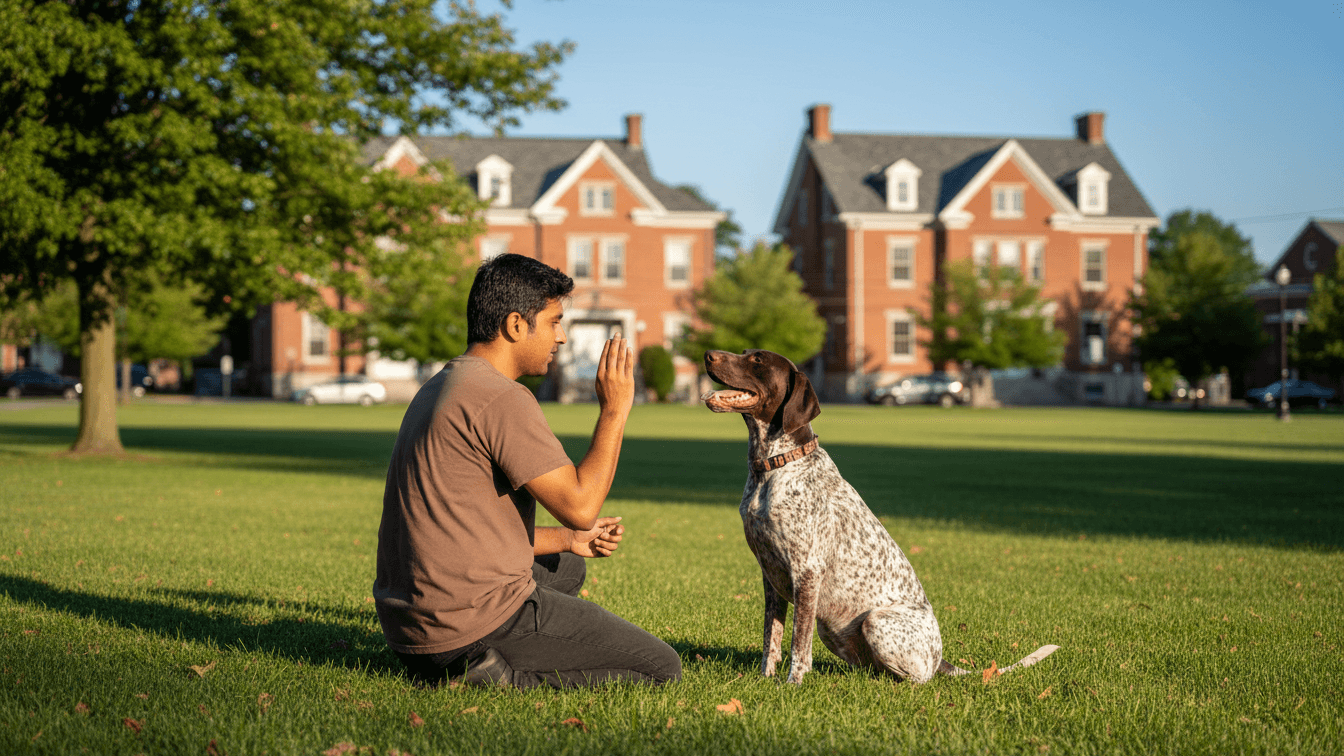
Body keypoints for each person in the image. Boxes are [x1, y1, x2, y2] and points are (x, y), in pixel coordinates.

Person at [373, 253, 681, 690]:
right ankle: (495, 676)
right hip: (460, 626)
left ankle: (467, 659)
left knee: (568, 568)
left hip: (412, 625)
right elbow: (580, 505)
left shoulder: (444, 383)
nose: (562, 338)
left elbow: (459, 528)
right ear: (516, 325)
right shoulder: (501, 398)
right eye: (554, 321)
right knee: (659, 667)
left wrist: (570, 540)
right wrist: (615, 411)